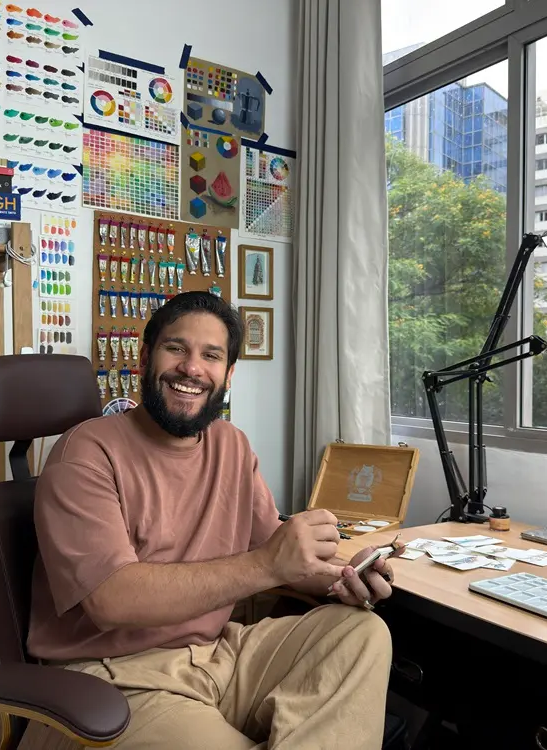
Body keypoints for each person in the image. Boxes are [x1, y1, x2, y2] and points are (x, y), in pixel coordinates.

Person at [27, 291, 395, 750]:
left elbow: (282, 556)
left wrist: (344, 577)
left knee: (360, 633)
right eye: (176, 348)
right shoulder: (85, 453)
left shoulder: (231, 445)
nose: (192, 368)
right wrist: (267, 564)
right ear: (146, 357)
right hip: (115, 678)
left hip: (219, 655)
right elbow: (112, 601)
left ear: (228, 374)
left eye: (211, 356)